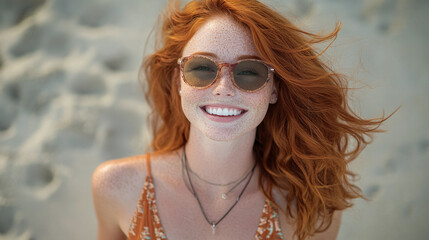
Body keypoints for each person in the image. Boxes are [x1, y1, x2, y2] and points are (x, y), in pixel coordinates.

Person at [91, 0, 394, 239]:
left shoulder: (309, 207)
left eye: (250, 72)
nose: (223, 89)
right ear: (178, 81)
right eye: (202, 68)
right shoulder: (117, 186)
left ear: (274, 88)